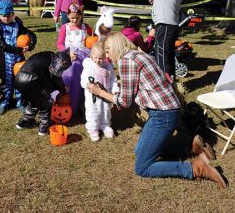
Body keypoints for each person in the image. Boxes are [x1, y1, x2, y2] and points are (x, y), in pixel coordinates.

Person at [87, 32, 226, 189]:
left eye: (107, 51)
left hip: (163, 115)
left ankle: (196, 168)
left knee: (142, 167)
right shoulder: (138, 54)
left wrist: (101, 93)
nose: (107, 57)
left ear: (115, 47)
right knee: (140, 150)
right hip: (169, 111)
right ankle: (191, 147)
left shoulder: (126, 61)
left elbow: (124, 102)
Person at [15, 49, 71, 136]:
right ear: (63, 62)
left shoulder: (49, 55)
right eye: (64, 68)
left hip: (19, 79)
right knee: (46, 103)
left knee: (35, 101)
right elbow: (56, 78)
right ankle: (44, 129)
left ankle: (24, 122)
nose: (63, 71)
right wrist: (63, 89)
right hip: (31, 80)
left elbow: (48, 79)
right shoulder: (57, 61)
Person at [0, 0, 37, 115]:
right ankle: (5, 102)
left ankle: (20, 102)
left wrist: (31, 44)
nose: (5, 18)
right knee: (7, 82)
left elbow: (30, 34)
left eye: (8, 15)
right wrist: (18, 50)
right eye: (3, 16)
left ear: (12, 14)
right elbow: (3, 46)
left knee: (19, 81)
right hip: (6, 60)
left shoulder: (18, 25)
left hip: (19, 61)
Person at [57, 3, 91, 115]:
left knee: (83, 79)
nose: (75, 20)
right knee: (70, 77)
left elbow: (92, 41)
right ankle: (68, 104)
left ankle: (80, 104)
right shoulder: (64, 27)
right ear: (67, 16)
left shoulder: (86, 27)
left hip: (84, 57)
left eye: (77, 18)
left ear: (81, 16)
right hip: (69, 56)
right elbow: (60, 44)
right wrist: (68, 52)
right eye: (72, 18)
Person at [81, 42, 119, 142]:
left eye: (101, 58)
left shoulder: (108, 67)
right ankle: (93, 128)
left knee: (106, 110)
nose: (98, 60)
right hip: (92, 96)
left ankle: (105, 125)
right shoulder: (89, 67)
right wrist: (87, 85)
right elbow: (84, 79)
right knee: (93, 111)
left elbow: (112, 80)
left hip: (105, 95)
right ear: (91, 56)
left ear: (105, 57)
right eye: (96, 58)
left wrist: (115, 89)